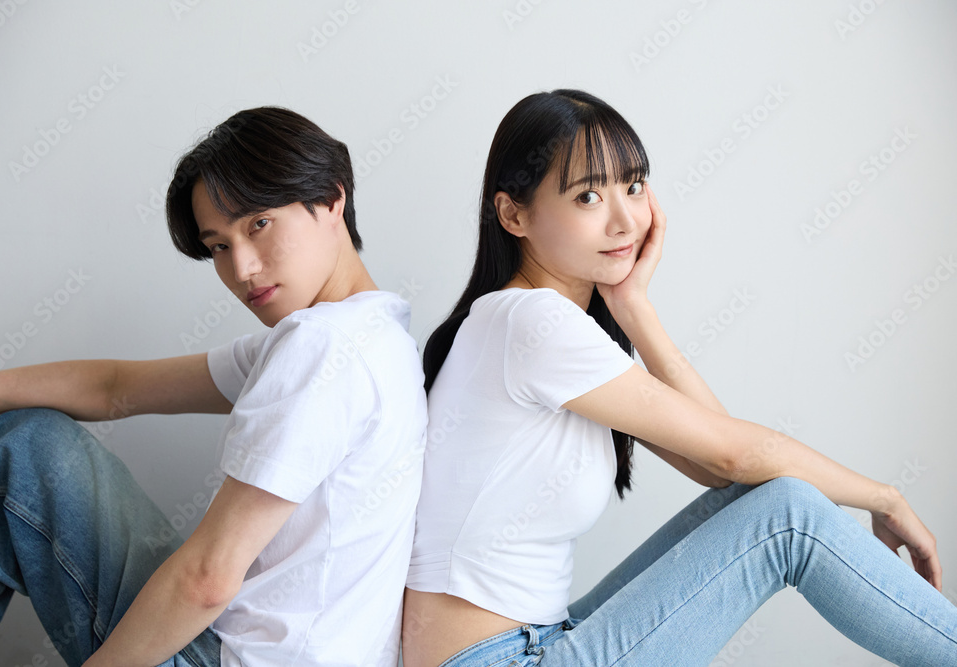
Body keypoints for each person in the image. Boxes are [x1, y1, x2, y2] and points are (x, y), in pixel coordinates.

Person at [401, 89, 957, 666]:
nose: (625, 220)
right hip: (504, 658)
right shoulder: (531, 322)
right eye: (589, 196)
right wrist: (885, 499)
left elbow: (722, 472)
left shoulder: (531, 324)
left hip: (535, 641)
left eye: (634, 186)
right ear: (514, 215)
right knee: (789, 517)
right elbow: (730, 455)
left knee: (766, 499)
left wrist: (634, 309)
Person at [0, 106, 427, 667]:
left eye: (258, 224)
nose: (242, 268)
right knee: (27, 440)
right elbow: (114, 388)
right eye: (219, 246)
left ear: (330, 199)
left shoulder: (322, 345)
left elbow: (209, 578)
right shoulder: (376, 334)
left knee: (22, 448)